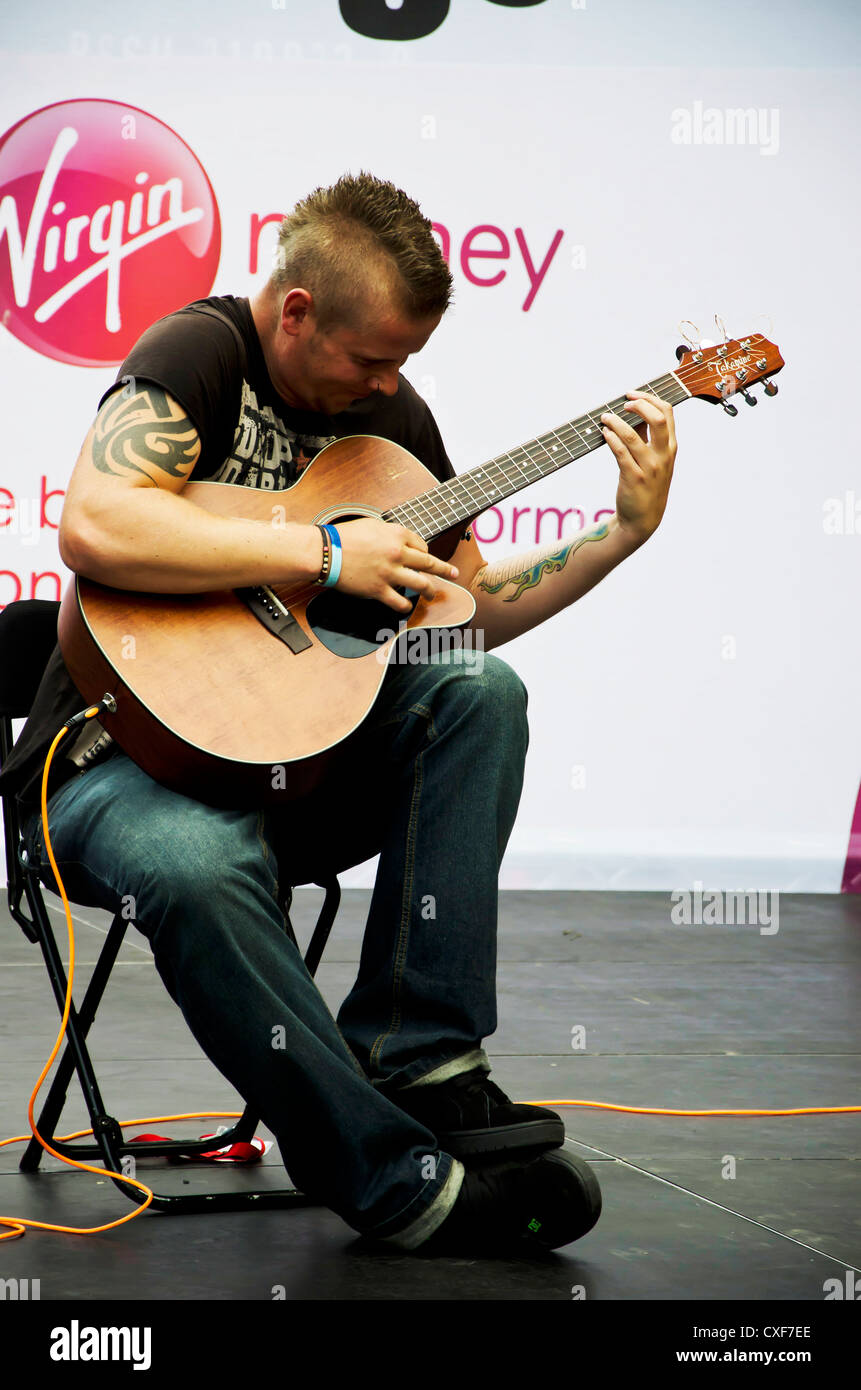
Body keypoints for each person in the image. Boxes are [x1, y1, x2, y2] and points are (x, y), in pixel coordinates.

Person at [0, 172, 677, 1255]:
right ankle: (397, 1181)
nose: (388, 382)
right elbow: (95, 523)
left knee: (479, 692)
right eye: (370, 358)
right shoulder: (200, 355)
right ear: (297, 310)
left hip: (294, 772)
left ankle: (423, 1055)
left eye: (405, 360)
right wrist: (320, 550)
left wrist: (615, 536)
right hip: (108, 766)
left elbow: (464, 619)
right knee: (193, 860)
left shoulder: (389, 423)